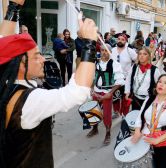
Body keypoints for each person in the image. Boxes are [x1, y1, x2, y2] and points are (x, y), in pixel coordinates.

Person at [0, 1, 98, 166]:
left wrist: (13, 8)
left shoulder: (6, 81)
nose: (43, 60)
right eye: (36, 56)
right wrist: (89, 43)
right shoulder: (30, 101)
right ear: (20, 64)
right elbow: (78, 92)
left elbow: (3, 42)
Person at [131, 74, 166, 168]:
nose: (161, 84)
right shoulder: (149, 99)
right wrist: (137, 131)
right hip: (146, 139)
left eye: (165, 83)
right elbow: (139, 117)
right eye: (159, 82)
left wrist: (157, 140)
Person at [88, 44, 125, 145]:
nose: (104, 52)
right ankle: (95, 128)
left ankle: (108, 133)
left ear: (110, 52)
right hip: (96, 91)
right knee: (94, 111)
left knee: (107, 114)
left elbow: (120, 81)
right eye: (102, 50)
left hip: (107, 92)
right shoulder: (96, 63)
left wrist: (110, 93)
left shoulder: (115, 64)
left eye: (106, 51)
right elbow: (92, 77)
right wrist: (91, 89)